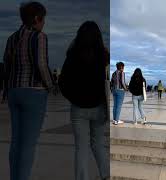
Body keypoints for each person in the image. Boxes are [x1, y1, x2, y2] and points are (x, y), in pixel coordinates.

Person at [3, 2, 53, 180]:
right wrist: (50, 85)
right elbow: (41, 64)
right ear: (37, 19)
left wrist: (6, 91)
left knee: (16, 142)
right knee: (28, 145)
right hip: (33, 92)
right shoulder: (39, 37)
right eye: (43, 19)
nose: (44, 23)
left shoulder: (12, 38)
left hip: (14, 91)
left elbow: (7, 67)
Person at [59, 21, 108, 180]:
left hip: (79, 108)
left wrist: (74, 98)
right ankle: (106, 176)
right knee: (99, 146)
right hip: (99, 107)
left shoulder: (72, 54)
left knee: (81, 148)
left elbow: (63, 82)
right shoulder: (103, 55)